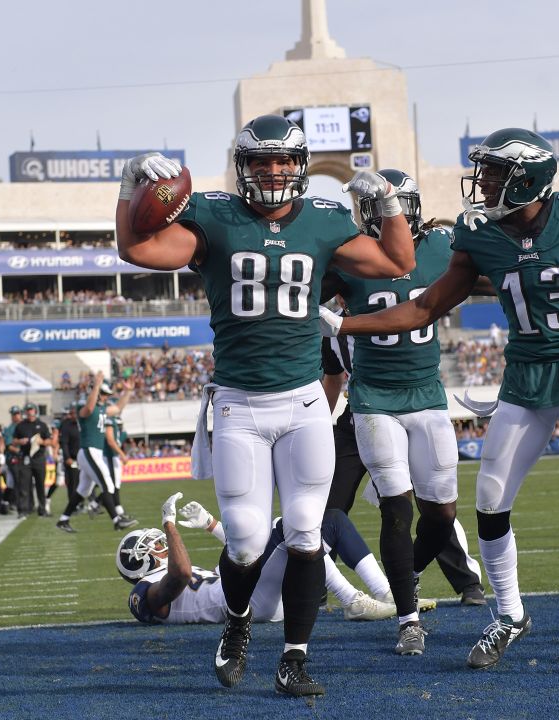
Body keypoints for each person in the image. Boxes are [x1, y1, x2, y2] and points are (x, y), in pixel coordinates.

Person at [319, 128, 559, 676]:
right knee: (489, 504)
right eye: (484, 172)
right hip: (523, 381)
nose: (483, 183)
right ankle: (510, 614)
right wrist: (345, 322)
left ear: (527, 176)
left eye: (493, 173)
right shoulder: (478, 234)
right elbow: (423, 309)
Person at [115, 113, 416, 697]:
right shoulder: (215, 215)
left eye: (283, 160)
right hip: (240, 404)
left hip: (304, 401)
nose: (273, 171)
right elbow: (136, 248)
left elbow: (398, 263)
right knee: (248, 539)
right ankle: (236, 623)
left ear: (300, 167)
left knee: (306, 533)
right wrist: (132, 187)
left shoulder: (326, 220)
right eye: (261, 161)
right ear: (243, 167)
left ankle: (295, 660)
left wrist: (388, 204)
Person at [321, 169, 469, 656]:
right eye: (378, 206)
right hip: (374, 397)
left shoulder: (440, 247)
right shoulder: (353, 254)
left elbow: (486, 276)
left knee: (443, 514)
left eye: (392, 204)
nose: (385, 214)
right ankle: (408, 618)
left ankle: (406, 576)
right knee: (397, 507)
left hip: (427, 392)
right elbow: (294, 290)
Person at [122, 493, 394, 626]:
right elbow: (180, 573)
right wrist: (169, 525)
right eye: (155, 546)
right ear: (140, 562)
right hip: (247, 604)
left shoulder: (178, 578)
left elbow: (243, 556)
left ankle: (387, 592)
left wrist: (210, 523)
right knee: (284, 528)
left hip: (254, 593)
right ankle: (352, 601)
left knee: (332, 520)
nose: (161, 546)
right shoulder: (145, 591)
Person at [59, 373, 136, 530]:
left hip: (94, 453)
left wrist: (127, 392)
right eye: (104, 394)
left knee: (83, 490)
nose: (107, 397)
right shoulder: (84, 406)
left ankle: (63, 520)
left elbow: (118, 408)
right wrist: (96, 386)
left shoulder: (102, 409)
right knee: (107, 484)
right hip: (89, 451)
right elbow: (88, 408)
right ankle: (116, 521)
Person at [13, 402, 53, 517]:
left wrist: (41, 442)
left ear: (35, 411)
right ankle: (23, 509)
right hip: (26, 457)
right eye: (28, 410)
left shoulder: (42, 425)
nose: (29, 412)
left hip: (39, 457)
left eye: (31, 410)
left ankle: (42, 508)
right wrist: (20, 441)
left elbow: (50, 441)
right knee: (24, 485)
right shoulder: (21, 426)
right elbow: (14, 440)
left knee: (41, 484)